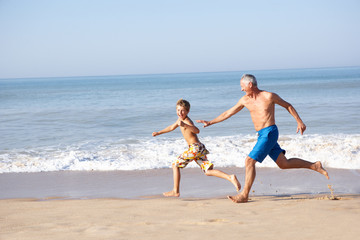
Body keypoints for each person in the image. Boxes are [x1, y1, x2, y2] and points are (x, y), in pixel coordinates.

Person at [197, 74, 329, 203]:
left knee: (249, 161)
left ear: (250, 84)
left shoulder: (269, 96)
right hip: (262, 134)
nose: (241, 89)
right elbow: (228, 113)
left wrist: (299, 121)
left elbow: (288, 105)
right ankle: (314, 165)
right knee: (284, 164)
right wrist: (210, 122)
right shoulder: (245, 100)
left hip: (270, 132)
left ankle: (244, 194)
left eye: (242, 86)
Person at [152, 99, 241, 197]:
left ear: (187, 111)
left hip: (195, 148)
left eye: (182, 111)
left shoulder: (187, 121)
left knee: (175, 165)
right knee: (208, 171)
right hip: (198, 148)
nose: (180, 113)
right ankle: (230, 177)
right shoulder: (179, 120)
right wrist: (159, 132)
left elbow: (197, 130)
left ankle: (175, 191)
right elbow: (171, 127)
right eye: (178, 110)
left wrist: (185, 125)